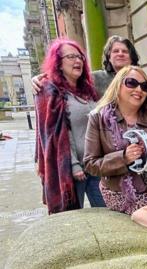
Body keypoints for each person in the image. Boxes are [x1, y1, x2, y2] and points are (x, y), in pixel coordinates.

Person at [83, 65, 147, 215]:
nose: (139, 89)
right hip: (122, 193)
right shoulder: (98, 118)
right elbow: (90, 163)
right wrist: (124, 157)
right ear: (118, 85)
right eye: (131, 83)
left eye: (144, 86)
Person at [35, 38, 105, 214]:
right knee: (71, 217)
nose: (77, 61)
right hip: (70, 170)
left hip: (94, 164)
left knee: (107, 213)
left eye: (80, 56)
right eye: (71, 57)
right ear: (58, 63)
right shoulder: (49, 90)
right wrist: (73, 164)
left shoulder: (87, 90)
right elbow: (55, 135)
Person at [31, 35, 140, 97]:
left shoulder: (141, 80)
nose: (120, 54)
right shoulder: (96, 78)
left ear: (131, 57)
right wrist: (42, 79)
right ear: (109, 57)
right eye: (116, 51)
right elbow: (66, 79)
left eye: (125, 51)